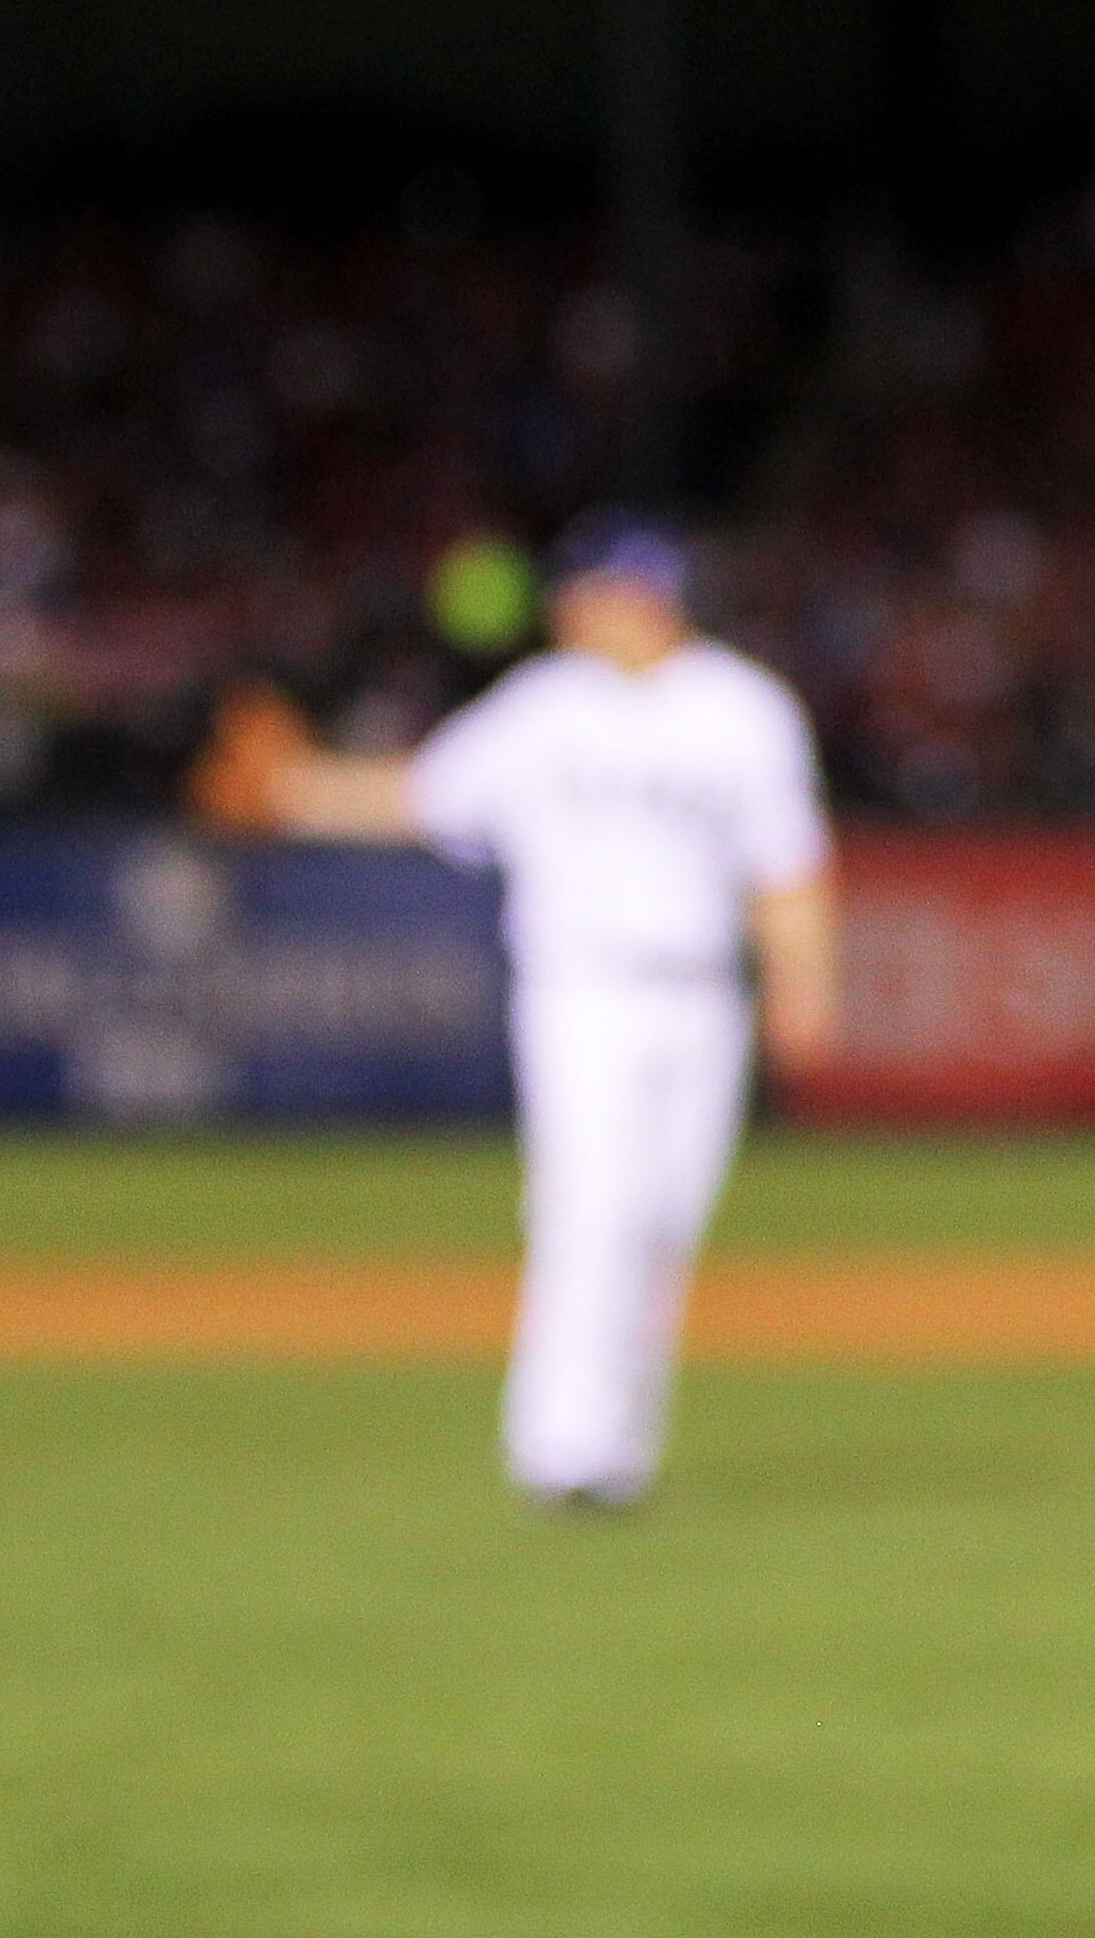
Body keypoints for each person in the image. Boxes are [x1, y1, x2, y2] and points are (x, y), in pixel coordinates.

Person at [224, 514, 836, 1511]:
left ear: (646, 595)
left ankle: (618, 1447)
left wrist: (803, 984)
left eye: (592, 589)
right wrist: (297, 789)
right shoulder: (547, 708)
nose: (572, 607)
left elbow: (787, 864)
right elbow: (426, 795)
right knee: (589, 1209)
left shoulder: (743, 709)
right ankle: (562, 1452)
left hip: (702, 1000)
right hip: (582, 995)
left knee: (664, 1223)